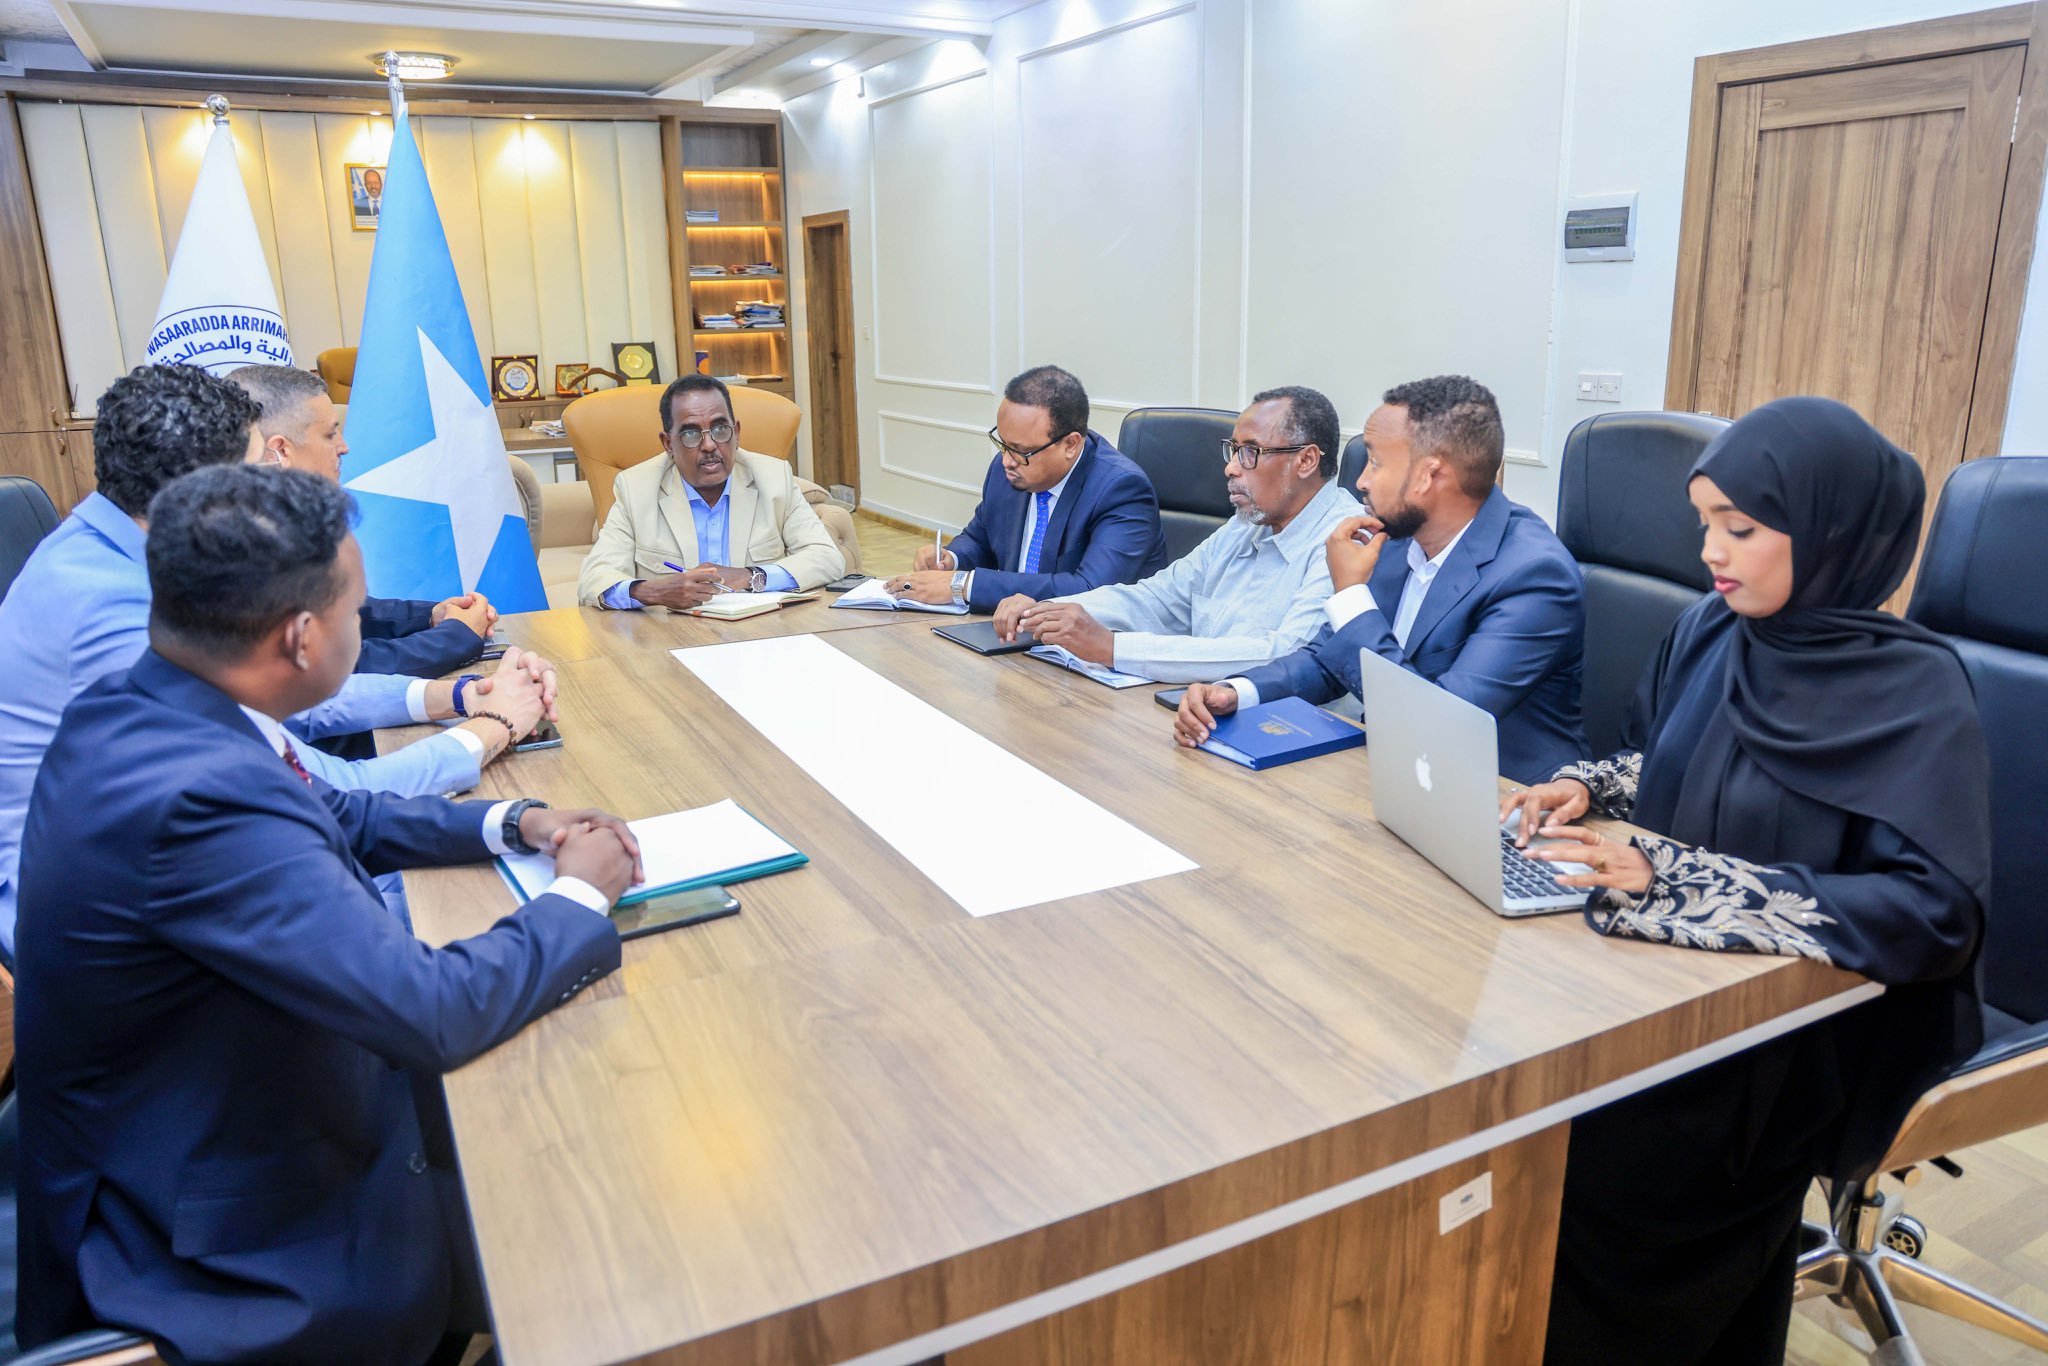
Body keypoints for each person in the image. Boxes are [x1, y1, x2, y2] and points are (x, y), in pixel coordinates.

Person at [13, 465, 643, 1366]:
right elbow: (431, 1010)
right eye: (356, 611)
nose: (366, 627)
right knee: (599, 1242)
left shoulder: (148, 701)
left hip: (227, 1114)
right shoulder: (197, 797)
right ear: (302, 637)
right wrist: (581, 894)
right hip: (231, 1254)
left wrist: (513, 822)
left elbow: (336, 812)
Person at [1496, 398, 1990, 1365]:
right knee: (1519, 1106)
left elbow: (1933, 912)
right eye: (1705, 525)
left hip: (1778, 1038)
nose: (1711, 553)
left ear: (1832, 532)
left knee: (1588, 1176)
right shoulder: (1714, 631)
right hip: (1649, 986)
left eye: (1742, 529)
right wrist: (1585, 785)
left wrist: (1678, 876)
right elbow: (1668, 758)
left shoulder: (1914, 692)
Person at [0, 365, 550, 960]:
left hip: (173, 856)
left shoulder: (129, 550)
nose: (271, 488)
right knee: (458, 911)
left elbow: (280, 695)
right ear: (207, 492)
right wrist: (493, 727)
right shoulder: (113, 608)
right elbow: (321, 792)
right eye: (256, 470)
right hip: (116, 922)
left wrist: (454, 698)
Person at [1173, 376, 1586, 783]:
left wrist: (1351, 595)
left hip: (1504, 798)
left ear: (1428, 476)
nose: (1361, 481)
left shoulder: (1534, 576)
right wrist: (1237, 691)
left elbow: (1442, 726)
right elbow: (1326, 660)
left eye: (1376, 462)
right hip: (1394, 775)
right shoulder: (1398, 538)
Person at [990, 385, 1357, 683]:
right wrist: (1049, 612)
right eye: (1233, 450)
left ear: (1306, 460)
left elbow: (1284, 656)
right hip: (1196, 706)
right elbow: (1159, 598)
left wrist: (1112, 649)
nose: (1231, 468)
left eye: (1249, 452)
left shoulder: (1346, 539)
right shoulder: (1247, 524)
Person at [229, 363, 496, 679]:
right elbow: (334, 665)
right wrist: (455, 638)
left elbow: (330, 611)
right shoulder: (234, 544)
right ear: (280, 450)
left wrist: (429, 616)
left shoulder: (262, 515)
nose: (344, 447)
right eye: (330, 434)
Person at [879, 365, 1166, 609]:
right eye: (1003, 443)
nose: (1006, 460)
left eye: (1021, 450)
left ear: (1070, 444)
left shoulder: (1121, 490)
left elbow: (1089, 589)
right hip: (1010, 628)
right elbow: (980, 539)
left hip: (1094, 643)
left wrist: (963, 585)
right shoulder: (1008, 470)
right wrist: (951, 559)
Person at [578, 374, 845, 608]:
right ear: (668, 443)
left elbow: (828, 557)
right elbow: (594, 579)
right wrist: (655, 592)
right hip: (674, 636)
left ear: (736, 432)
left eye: (720, 429)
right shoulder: (636, 488)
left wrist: (752, 576)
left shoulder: (774, 478)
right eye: (691, 434)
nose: (709, 445)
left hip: (760, 632)